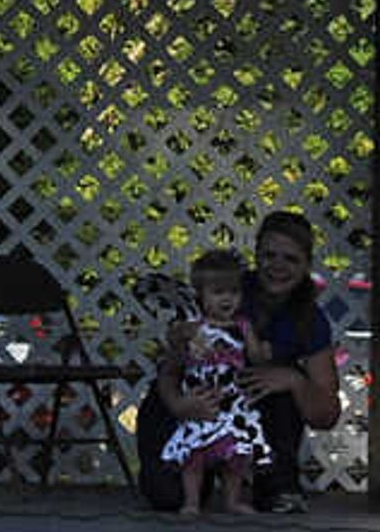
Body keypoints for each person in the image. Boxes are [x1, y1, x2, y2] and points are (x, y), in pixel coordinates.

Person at [138, 210, 345, 514]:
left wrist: (293, 380)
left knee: (282, 381)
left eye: (290, 259)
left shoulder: (309, 320)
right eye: (269, 255)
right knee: (168, 498)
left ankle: (275, 486)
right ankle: (194, 480)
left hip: (241, 414)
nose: (278, 266)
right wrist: (180, 404)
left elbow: (326, 415)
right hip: (188, 402)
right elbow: (169, 369)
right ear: (256, 255)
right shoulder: (225, 290)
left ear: (306, 266)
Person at [155, 249, 268, 519]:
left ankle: (232, 500)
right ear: (201, 296)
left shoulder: (242, 326)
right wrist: (182, 339)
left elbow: (254, 357)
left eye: (233, 291)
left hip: (231, 401)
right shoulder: (196, 327)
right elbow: (176, 353)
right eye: (218, 292)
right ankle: (191, 501)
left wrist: (260, 348)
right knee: (194, 455)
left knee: (236, 457)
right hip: (201, 397)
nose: (227, 298)